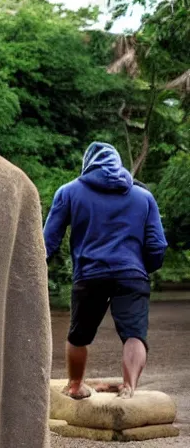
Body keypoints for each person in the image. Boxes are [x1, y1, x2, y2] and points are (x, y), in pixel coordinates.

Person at [44, 142, 168, 399]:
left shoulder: (68, 192)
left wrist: (33, 271)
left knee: (78, 336)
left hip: (89, 275)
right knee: (134, 335)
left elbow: (47, 241)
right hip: (132, 275)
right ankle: (129, 386)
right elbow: (158, 245)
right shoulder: (143, 196)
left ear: (87, 165)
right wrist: (143, 268)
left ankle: (76, 385)